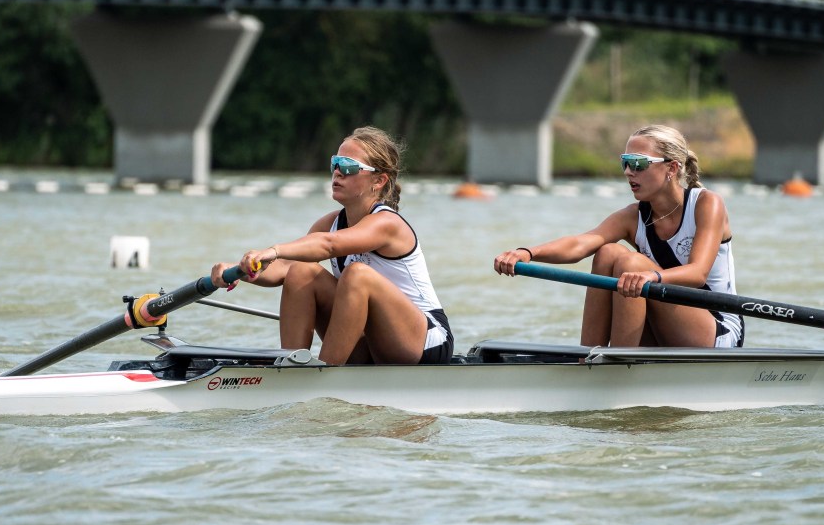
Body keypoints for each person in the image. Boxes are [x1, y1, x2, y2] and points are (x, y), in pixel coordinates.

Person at [210, 126, 454, 366]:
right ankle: (291, 368)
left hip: (425, 341)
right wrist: (237, 270)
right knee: (301, 271)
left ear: (378, 180)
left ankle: (325, 374)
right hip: (371, 339)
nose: (337, 173)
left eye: (348, 166)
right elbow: (283, 267)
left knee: (357, 275)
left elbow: (328, 245)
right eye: (335, 163)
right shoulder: (330, 223)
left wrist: (272, 250)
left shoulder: (388, 224)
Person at [493, 124, 744, 349]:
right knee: (608, 252)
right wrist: (527, 253)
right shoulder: (632, 216)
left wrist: (650, 276)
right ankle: (588, 359)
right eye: (625, 162)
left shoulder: (707, 204)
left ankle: (618, 366)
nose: (628, 172)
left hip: (717, 329)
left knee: (631, 263)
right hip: (665, 322)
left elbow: (697, 273)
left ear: (672, 168)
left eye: (638, 163)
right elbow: (580, 243)